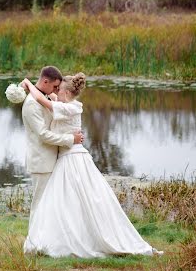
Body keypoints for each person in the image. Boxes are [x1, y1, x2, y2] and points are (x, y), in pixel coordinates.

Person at [22, 74, 161, 258]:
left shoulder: (70, 108)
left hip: (72, 157)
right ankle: (64, 234)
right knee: (68, 200)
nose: (55, 92)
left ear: (66, 91)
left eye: (59, 89)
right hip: (66, 156)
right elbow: (48, 98)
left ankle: (81, 237)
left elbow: (40, 98)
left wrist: (27, 84)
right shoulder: (66, 104)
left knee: (79, 198)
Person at [21, 66, 84, 225]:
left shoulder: (49, 98)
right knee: (39, 203)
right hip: (41, 161)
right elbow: (43, 135)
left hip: (55, 160)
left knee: (51, 204)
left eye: (59, 88)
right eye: (55, 86)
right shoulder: (31, 104)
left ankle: (47, 240)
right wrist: (70, 139)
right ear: (45, 81)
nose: (56, 91)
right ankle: (34, 243)